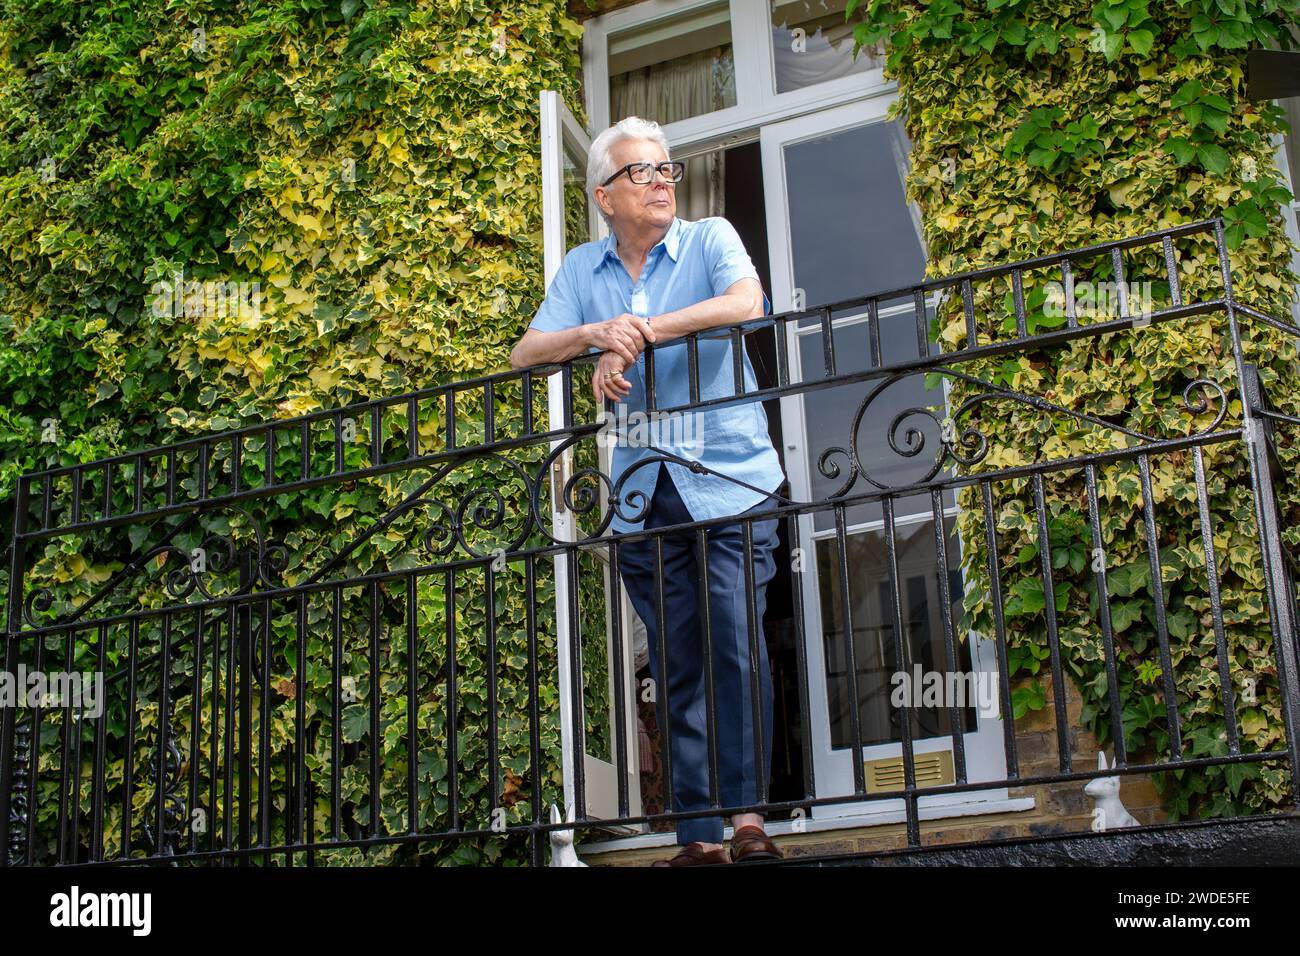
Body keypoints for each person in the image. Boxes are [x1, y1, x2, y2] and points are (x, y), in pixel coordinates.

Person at [510, 115, 787, 866]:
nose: (663, 179)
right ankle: (699, 838)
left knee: (737, 650)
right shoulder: (580, 270)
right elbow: (526, 352)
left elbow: (744, 303)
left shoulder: (710, 238)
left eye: (667, 168)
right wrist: (600, 334)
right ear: (605, 194)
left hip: (730, 479)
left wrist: (639, 331)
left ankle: (750, 822)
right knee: (678, 664)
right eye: (643, 171)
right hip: (641, 494)